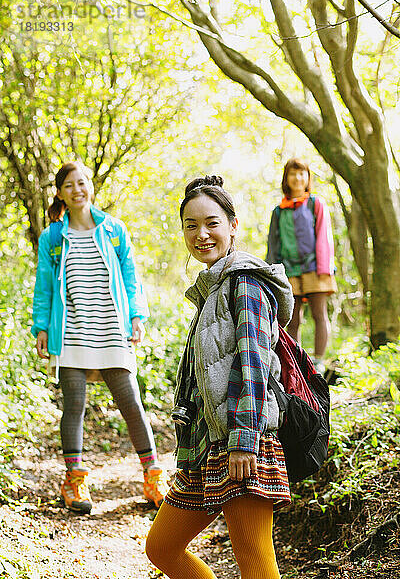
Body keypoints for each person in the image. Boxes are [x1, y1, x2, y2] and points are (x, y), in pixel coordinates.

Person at [146, 175, 294, 579]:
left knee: (256, 562)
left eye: (211, 222)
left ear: (233, 225)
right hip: (208, 448)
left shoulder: (244, 284)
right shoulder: (213, 288)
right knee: (162, 547)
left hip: (244, 443)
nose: (201, 234)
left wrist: (244, 442)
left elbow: (255, 364)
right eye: (190, 225)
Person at [31, 161, 167, 514]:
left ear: (90, 187)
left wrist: (137, 316)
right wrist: (41, 327)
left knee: (131, 403)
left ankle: (153, 476)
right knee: (73, 406)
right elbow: (44, 286)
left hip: (111, 327)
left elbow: (131, 277)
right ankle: (74, 481)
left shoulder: (114, 231)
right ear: (60, 193)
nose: (77, 189)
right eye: (69, 185)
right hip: (72, 330)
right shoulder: (53, 237)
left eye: (83, 183)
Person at [266, 158, 336, 375]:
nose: (297, 178)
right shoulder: (279, 211)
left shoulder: (315, 203)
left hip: (316, 268)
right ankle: (295, 362)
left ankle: (319, 361)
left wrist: (325, 268)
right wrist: (271, 274)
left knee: (319, 314)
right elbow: (273, 244)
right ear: (286, 179)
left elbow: (324, 237)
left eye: (302, 173)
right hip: (289, 272)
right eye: (293, 174)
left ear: (307, 178)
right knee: (292, 319)